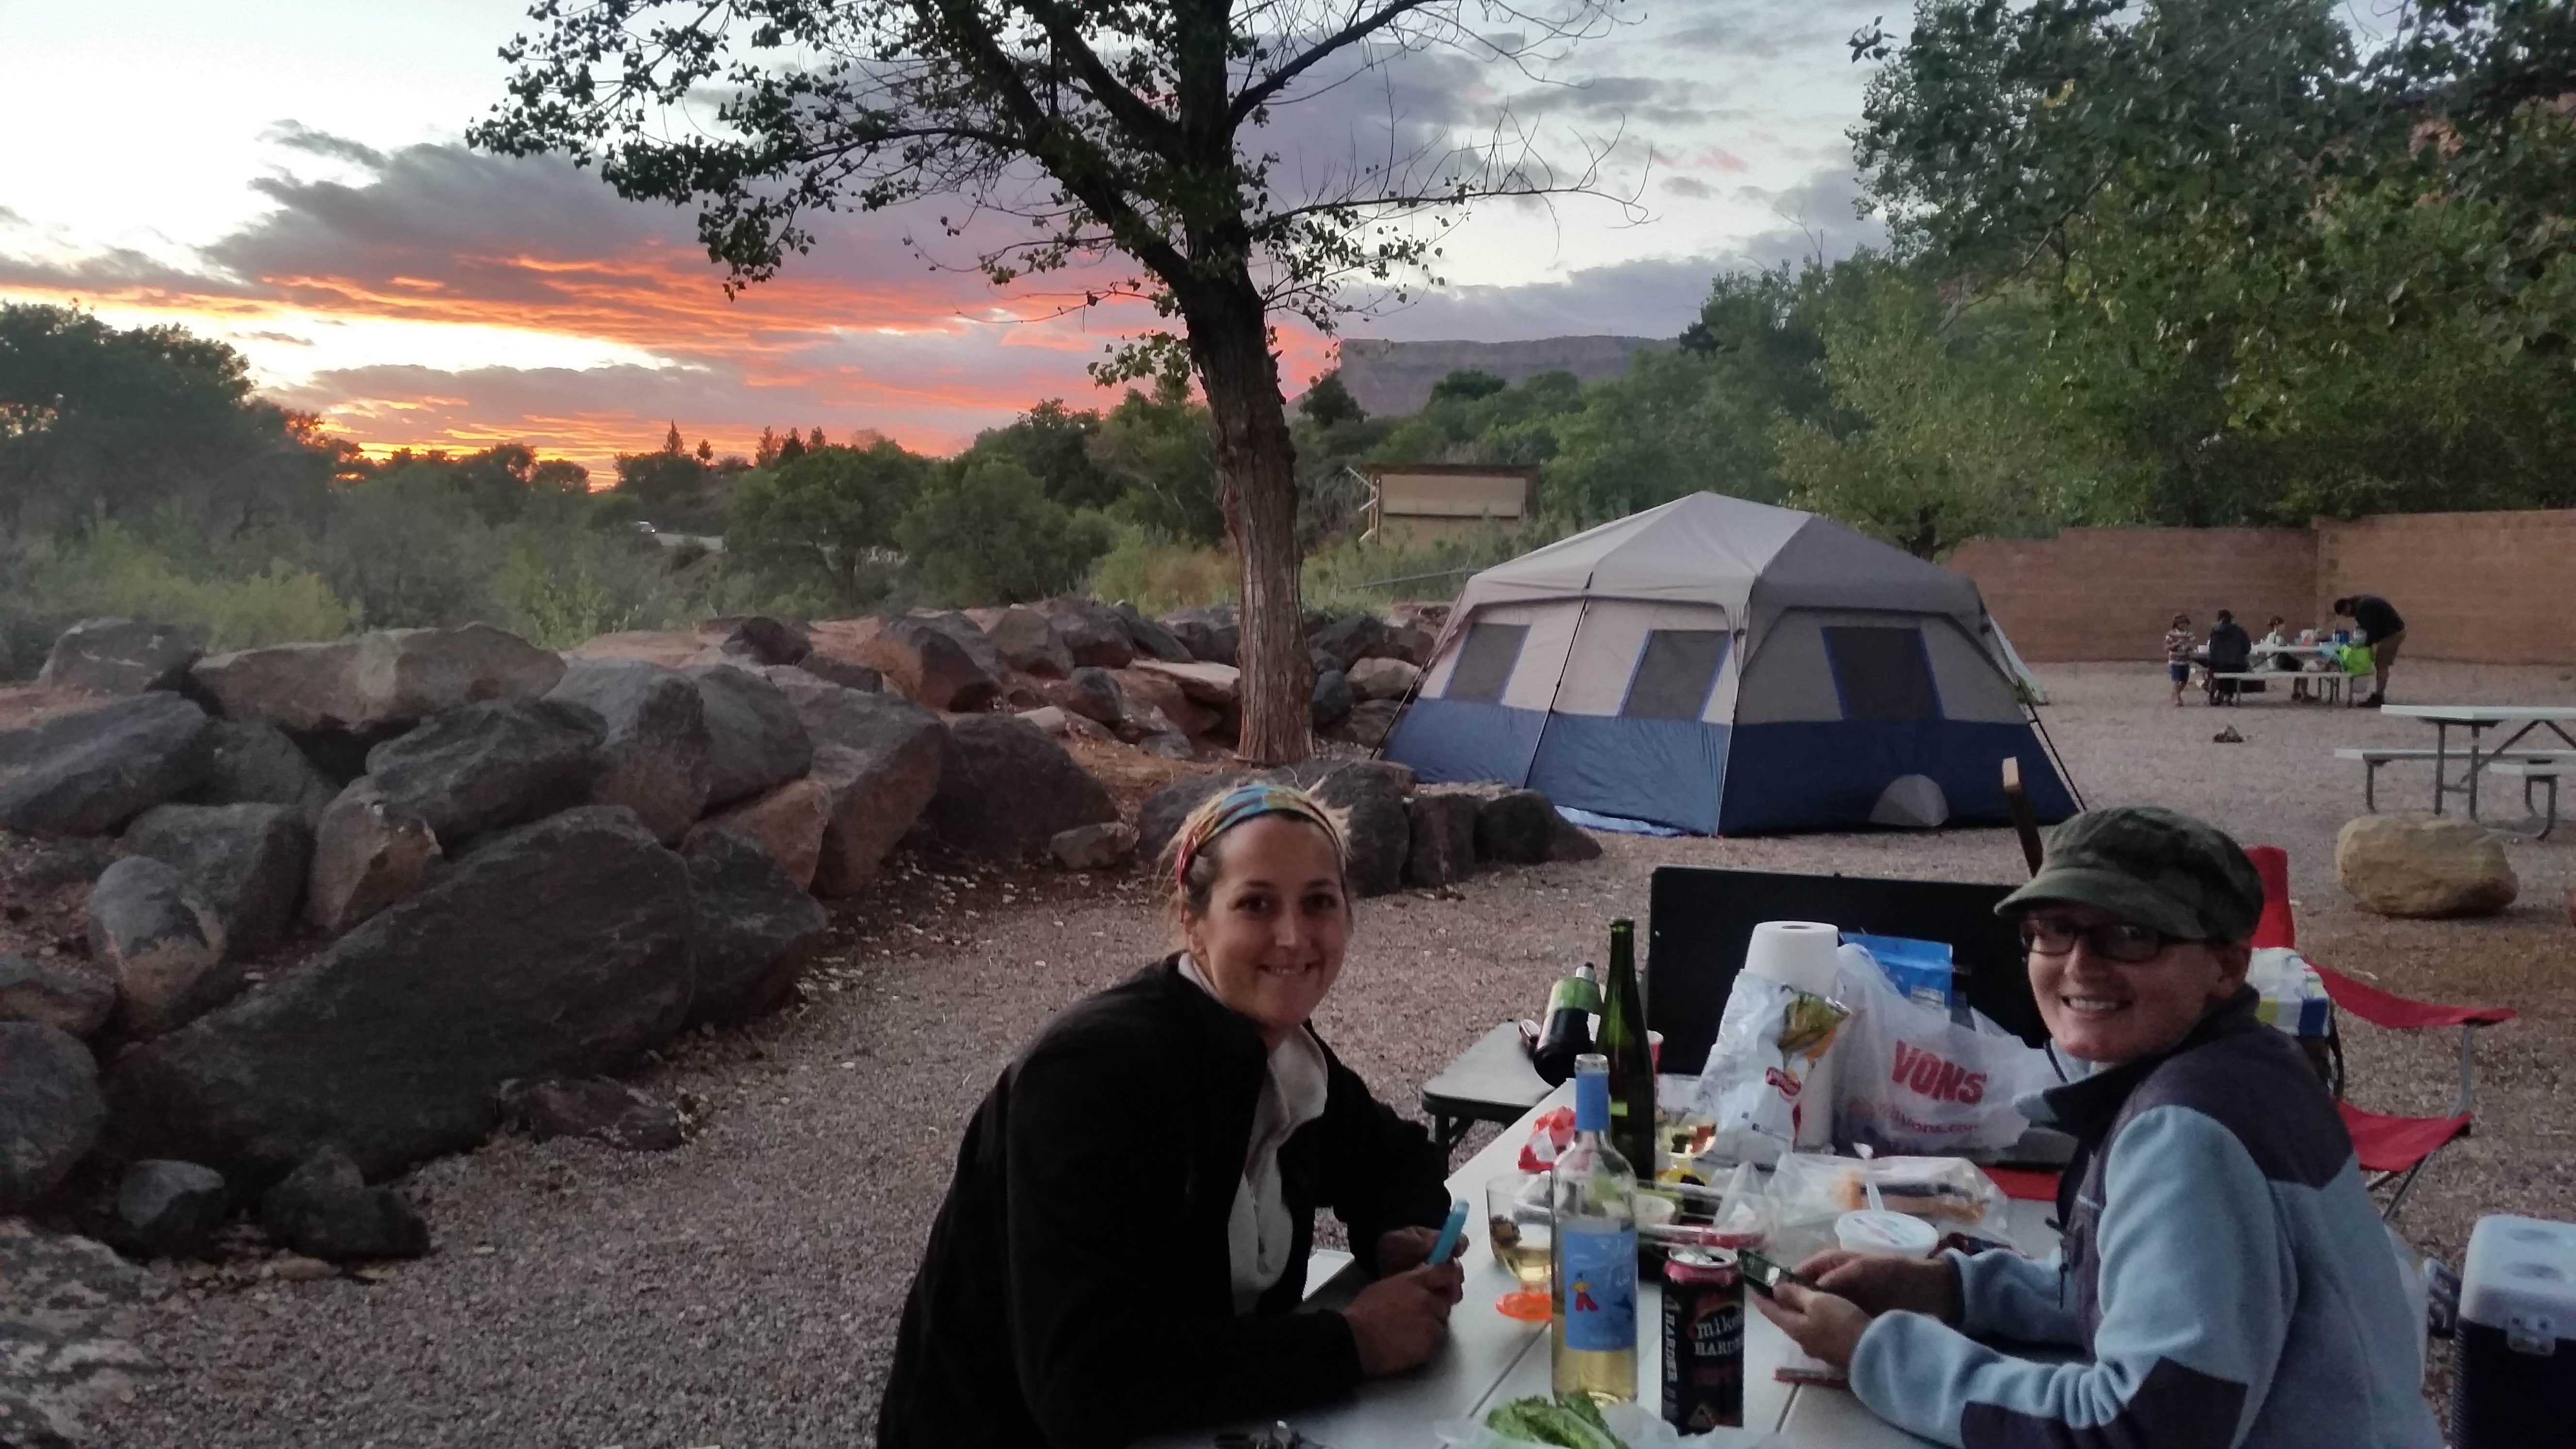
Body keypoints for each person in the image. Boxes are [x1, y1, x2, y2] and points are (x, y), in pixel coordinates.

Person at [1754, 805, 2440, 1449]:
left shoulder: (2188, 1135)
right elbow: (2139, 1293)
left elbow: (2139, 1429)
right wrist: (1952, 1289)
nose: (2080, 964)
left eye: (2132, 934)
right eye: (2054, 929)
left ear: (2226, 966)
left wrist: (1875, 1352)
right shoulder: (2248, 1066)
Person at [877, 782, 1463, 1449]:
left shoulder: (1287, 1060)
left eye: (1319, 902)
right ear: (1193, 920)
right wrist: (1351, 1343)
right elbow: (1083, 1382)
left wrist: (1392, 1232)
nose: (1294, 935)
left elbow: (1399, 1159)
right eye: (1256, 903)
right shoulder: (1093, 1075)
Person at [2333, 594, 2406, 707]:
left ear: (2347, 606)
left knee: (2381, 664)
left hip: (2393, 634)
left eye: (2345, 614)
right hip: (2390, 632)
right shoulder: (2360, 605)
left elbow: (2370, 631)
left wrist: (2364, 647)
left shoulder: (2362, 607)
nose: (2347, 616)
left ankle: (2379, 697)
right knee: (2381, 663)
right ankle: (2379, 695)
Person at [2205, 610, 2252, 704]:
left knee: (2216, 668)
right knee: (2233, 668)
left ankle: (2217, 694)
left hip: (2217, 665)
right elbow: (2247, 648)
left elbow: (2211, 649)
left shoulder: (2215, 632)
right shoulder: (2239, 631)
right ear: (2231, 619)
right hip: (2236, 665)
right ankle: (2228, 696)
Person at [2161, 613, 2194, 708]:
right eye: (2182, 624)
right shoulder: (2171, 634)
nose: (2184, 626)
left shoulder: (2188, 634)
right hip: (2175, 660)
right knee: (2177, 680)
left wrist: (2189, 647)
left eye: (2186, 624)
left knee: (2185, 680)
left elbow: (2190, 645)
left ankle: (2176, 693)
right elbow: (2167, 648)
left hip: (2185, 660)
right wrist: (2177, 644)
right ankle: (2178, 698)